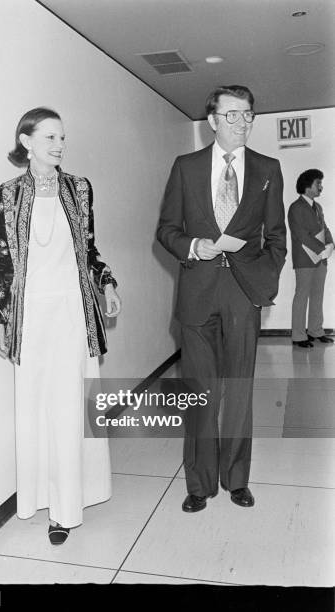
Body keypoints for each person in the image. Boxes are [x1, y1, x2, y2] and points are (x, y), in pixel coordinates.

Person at [0, 107, 121, 545]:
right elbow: (2, 260)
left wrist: (107, 284)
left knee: (69, 407)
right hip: (29, 318)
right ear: (26, 142)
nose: (59, 144)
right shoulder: (7, 195)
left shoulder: (79, 189)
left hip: (73, 313)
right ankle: (44, 496)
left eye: (62, 137)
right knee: (36, 410)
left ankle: (66, 509)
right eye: (49, 137)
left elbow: (90, 250)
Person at [157, 85, 286, 513]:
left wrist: (263, 280)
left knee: (239, 391)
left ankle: (236, 480)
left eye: (248, 115)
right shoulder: (186, 167)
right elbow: (167, 229)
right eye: (232, 115)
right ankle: (199, 484)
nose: (242, 123)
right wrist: (194, 246)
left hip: (243, 294)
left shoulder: (269, 167)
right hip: (198, 292)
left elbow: (277, 237)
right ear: (212, 121)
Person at [288, 169, 334, 348]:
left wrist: (330, 245)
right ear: (307, 186)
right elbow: (301, 235)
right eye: (318, 184)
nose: (321, 187)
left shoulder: (318, 207)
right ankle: (298, 335)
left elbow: (326, 228)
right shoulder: (295, 207)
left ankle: (316, 330)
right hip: (305, 259)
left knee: (317, 295)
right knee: (302, 296)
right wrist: (322, 249)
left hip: (321, 258)